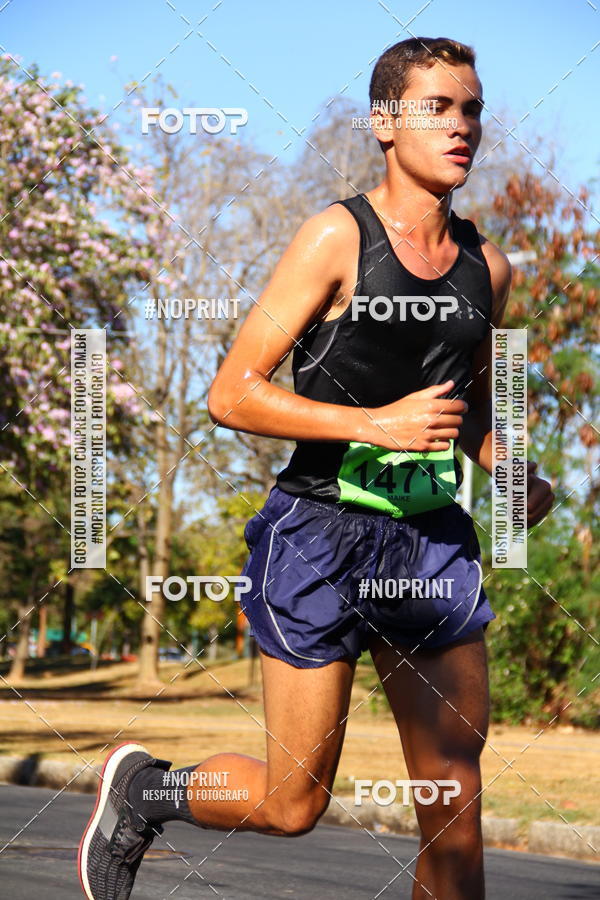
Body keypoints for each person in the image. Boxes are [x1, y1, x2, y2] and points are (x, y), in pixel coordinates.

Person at [78, 36, 554, 900]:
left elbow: (472, 407)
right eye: (437, 108)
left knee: (455, 805)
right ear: (385, 120)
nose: (462, 127)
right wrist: (374, 421)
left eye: (472, 109)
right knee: (294, 803)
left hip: (429, 544)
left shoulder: (491, 269)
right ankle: (148, 789)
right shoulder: (336, 237)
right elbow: (232, 394)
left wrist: (513, 471)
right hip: (319, 536)